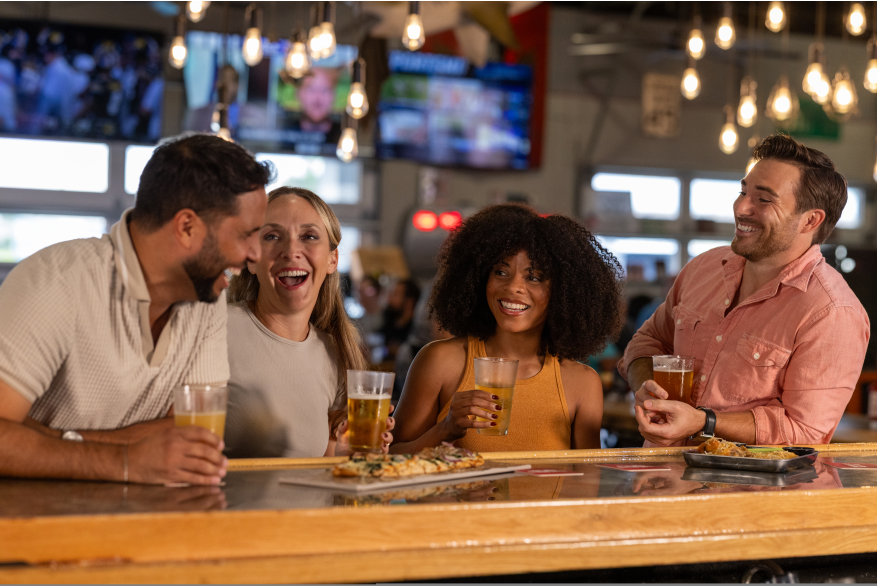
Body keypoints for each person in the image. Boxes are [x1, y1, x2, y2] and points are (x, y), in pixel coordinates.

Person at [0, 133, 271, 484]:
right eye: (245, 235)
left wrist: (55, 439)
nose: (256, 255)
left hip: (141, 524)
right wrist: (126, 461)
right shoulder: (58, 281)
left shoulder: (208, 297)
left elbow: (197, 442)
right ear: (187, 227)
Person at [621, 134, 870, 446]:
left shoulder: (833, 312)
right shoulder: (703, 269)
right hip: (660, 482)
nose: (741, 207)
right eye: (742, 192)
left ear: (810, 220)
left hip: (744, 492)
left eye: (763, 199)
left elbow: (805, 430)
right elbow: (646, 343)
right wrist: (648, 387)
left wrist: (703, 422)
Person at [391, 204, 625, 453]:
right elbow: (390, 459)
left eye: (533, 277)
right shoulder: (440, 361)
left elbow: (587, 484)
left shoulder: (583, 383)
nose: (513, 287)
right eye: (501, 272)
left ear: (564, 291)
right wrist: (445, 429)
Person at [224, 187, 394, 458]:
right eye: (272, 236)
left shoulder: (334, 352)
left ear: (332, 259)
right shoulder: (216, 331)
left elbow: (322, 465)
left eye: (309, 236)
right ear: (252, 259)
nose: (291, 251)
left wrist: (356, 451)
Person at [380, 278, 421, 361]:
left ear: (410, 301)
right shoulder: (389, 323)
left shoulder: (417, 329)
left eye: (396, 294)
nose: (390, 299)